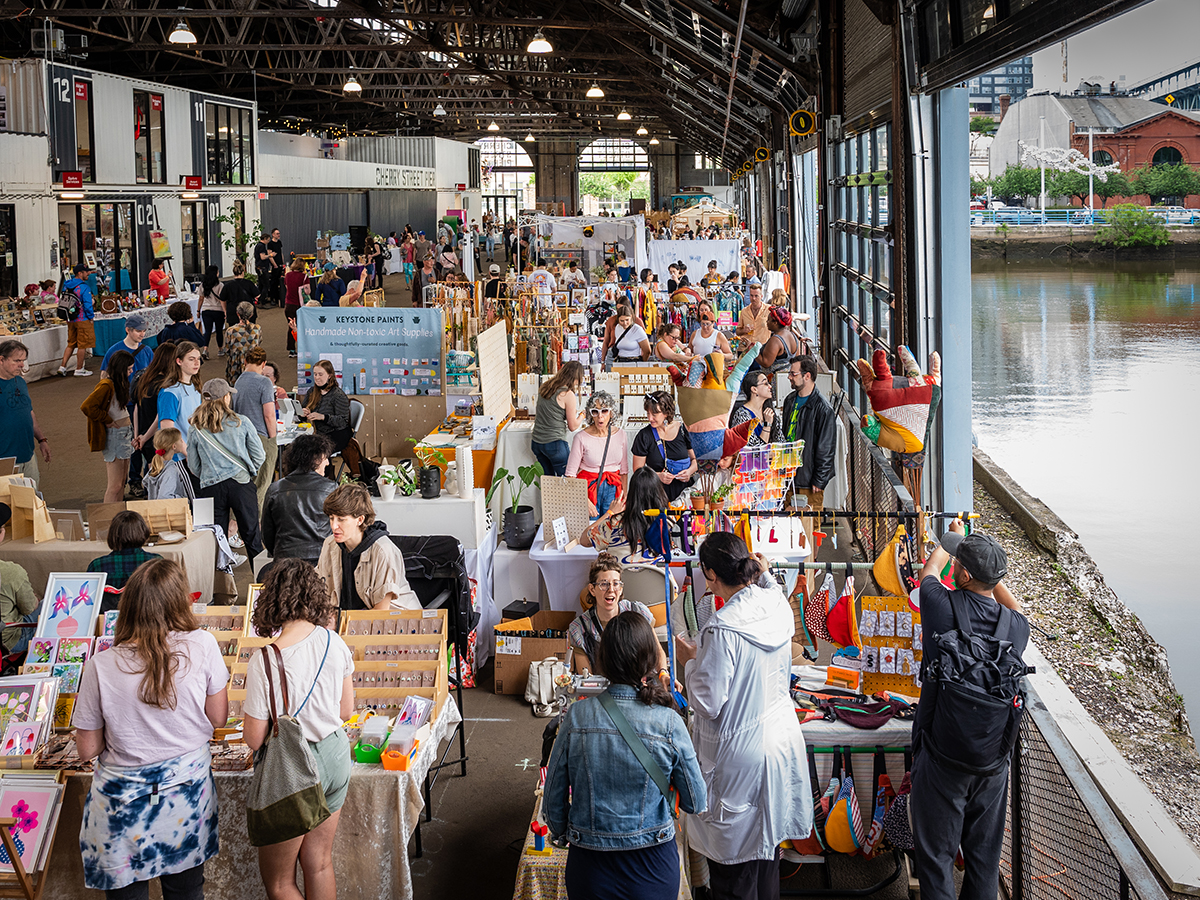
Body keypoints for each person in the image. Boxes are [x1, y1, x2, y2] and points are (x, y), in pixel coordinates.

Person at [75, 558, 228, 900]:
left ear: (128, 606)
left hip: (121, 806)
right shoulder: (203, 645)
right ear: (180, 600)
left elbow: (86, 749)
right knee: (187, 892)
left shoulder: (100, 666)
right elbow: (218, 718)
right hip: (187, 799)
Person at [675, 532, 812, 898]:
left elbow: (707, 701)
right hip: (779, 742)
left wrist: (690, 662)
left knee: (733, 871)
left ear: (710, 574)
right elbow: (772, 590)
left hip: (740, 754)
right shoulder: (775, 606)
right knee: (766, 858)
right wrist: (763, 573)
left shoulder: (722, 628)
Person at [545, 611, 705, 900]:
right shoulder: (669, 722)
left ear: (603, 658)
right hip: (652, 866)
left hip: (590, 867)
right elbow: (696, 801)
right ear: (650, 658)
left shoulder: (578, 716)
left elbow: (553, 796)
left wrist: (566, 831)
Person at [913, 521, 1028, 900]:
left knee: (936, 857)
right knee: (983, 860)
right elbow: (1016, 608)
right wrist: (988, 574)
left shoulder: (939, 605)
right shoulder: (1015, 629)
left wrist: (951, 539)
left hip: (942, 754)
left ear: (962, 572)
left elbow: (930, 570)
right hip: (993, 761)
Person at [242, 559, 354, 900]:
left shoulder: (265, 659)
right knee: (319, 863)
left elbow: (254, 737)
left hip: (294, 769)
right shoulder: (334, 642)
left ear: (271, 599)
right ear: (314, 596)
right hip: (335, 756)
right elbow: (346, 710)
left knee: (279, 882)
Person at [187, 378, 267, 558]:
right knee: (252, 537)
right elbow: (260, 455)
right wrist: (247, 471)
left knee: (214, 539)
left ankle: (218, 584)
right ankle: (262, 583)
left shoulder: (195, 427)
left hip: (210, 486)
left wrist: (207, 474)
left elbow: (193, 466)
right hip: (240, 484)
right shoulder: (241, 422)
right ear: (225, 398)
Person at [316, 483, 420, 611]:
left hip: (394, 623)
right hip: (349, 622)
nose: (333, 526)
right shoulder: (330, 544)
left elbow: (381, 613)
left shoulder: (383, 550)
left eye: (341, 519)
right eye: (331, 518)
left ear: (360, 519)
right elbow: (320, 594)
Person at [262, 434, 336, 569]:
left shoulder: (275, 489)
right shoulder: (330, 489)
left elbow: (267, 534)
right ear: (316, 459)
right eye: (325, 458)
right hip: (321, 561)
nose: (328, 463)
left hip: (284, 563)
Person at [780, 356, 836, 511]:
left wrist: (819, 479)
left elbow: (826, 448)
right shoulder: (790, 400)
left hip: (808, 480)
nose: (789, 377)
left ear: (807, 376)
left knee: (810, 526)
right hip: (788, 475)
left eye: (793, 373)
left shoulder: (823, 409)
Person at [82, 348, 136, 503]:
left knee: (121, 484)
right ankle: (108, 519)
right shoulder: (106, 385)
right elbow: (87, 406)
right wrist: (106, 419)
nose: (131, 372)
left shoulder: (117, 384)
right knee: (115, 486)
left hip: (124, 434)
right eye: (128, 369)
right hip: (115, 436)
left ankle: (116, 515)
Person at [566, 391, 627, 519]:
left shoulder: (621, 435)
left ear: (611, 413)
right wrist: (585, 501)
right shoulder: (581, 437)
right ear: (590, 414)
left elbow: (624, 470)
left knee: (612, 529)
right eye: (595, 411)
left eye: (604, 411)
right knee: (590, 530)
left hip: (613, 488)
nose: (600, 417)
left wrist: (624, 496)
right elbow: (570, 475)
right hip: (588, 490)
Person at [87, 510, 163, 611]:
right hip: (148, 620)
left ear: (112, 535)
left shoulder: (97, 565)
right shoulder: (156, 563)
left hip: (108, 623)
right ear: (144, 532)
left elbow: (88, 604)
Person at [232, 347, 278, 515]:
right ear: (263, 363)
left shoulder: (238, 381)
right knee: (262, 482)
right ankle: (255, 522)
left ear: (245, 361)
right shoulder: (264, 382)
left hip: (240, 437)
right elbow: (269, 415)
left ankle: (237, 522)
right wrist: (273, 439)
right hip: (260, 437)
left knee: (244, 481)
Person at [0, 341, 51, 486]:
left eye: (23, 361)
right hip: (4, 459)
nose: (22, 365)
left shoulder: (20, 382)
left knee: (32, 498)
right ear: (1, 360)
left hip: (27, 455)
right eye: (17, 361)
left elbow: (29, 412)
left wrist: (42, 440)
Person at [631, 391, 697, 503]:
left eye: (654, 414)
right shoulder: (644, 436)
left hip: (684, 495)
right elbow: (638, 471)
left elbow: (695, 460)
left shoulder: (683, 430)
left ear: (666, 413)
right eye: (648, 413)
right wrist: (658, 476)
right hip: (655, 495)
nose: (650, 418)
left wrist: (690, 471)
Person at [530, 361, 585, 477]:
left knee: (547, 482)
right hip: (555, 444)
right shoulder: (567, 394)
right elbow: (573, 426)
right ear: (576, 378)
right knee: (567, 482)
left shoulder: (546, 387)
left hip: (537, 442)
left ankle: (546, 496)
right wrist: (582, 416)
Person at [0, 503, 39, 652]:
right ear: (2, 533)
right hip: (8, 641)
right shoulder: (11, 571)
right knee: (46, 604)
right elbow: (29, 608)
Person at [299, 360, 352, 456]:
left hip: (337, 434)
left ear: (329, 375)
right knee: (298, 447)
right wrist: (303, 414)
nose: (317, 378)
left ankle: (323, 470)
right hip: (318, 433)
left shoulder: (338, 395)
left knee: (315, 452)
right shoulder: (312, 391)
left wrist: (323, 417)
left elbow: (343, 421)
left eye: (320, 374)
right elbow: (303, 410)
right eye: (315, 374)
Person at [157, 341, 204, 446]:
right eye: (191, 359)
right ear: (179, 361)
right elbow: (167, 429)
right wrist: (186, 452)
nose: (197, 363)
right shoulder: (170, 392)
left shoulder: (195, 387)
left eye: (198, 359)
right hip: (177, 456)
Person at [58, 262, 97, 377]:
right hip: (82, 319)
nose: (88, 273)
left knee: (71, 343)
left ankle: (63, 366)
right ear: (80, 273)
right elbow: (87, 304)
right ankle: (79, 368)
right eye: (86, 272)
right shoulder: (84, 287)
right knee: (82, 345)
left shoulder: (66, 285)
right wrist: (91, 317)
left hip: (70, 319)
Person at [730, 370, 781, 449]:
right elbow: (754, 451)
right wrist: (767, 425)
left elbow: (781, 442)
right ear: (754, 389)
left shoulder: (769, 410)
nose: (770, 386)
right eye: (765, 383)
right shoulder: (742, 415)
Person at [144, 427, 196, 501]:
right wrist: (184, 499)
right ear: (174, 446)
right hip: (169, 511)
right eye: (180, 440)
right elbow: (164, 497)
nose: (182, 441)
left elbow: (146, 482)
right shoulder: (171, 470)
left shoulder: (156, 465)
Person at [754, 306, 802, 373]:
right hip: (789, 377)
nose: (767, 322)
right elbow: (796, 359)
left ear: (775, 323)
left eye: (769, 320)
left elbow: (765, 363)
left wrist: (752, 349)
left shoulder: (775, 340)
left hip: (775, 379)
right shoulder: (793, 336)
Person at [224, 301, 262, 383]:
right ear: (251, 314)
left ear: (237, 313)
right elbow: (259, 344)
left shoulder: (231, 331)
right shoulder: (257, 328)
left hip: (236, 365)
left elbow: (227, 350)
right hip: (253, 363)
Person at [197, 264, 226, 359]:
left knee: (207, 331)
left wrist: (198, 310)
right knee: (219, 331)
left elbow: (201, 299)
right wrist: (225, 311)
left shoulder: (203, 285)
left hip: (206, 310)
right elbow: (222, 300)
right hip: (218, 310)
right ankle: (220, 349)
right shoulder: (220, 285)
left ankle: (206, 349)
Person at [222, 262, 259, 329]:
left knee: (234, 333)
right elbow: (257, 295)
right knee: (249, 331)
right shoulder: (249, 283)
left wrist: (225, 311)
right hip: (248, 311)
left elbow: (222, 299)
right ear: (243, 272)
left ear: (234, 273)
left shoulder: (227, 285)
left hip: (233, 312)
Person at [284, 259, 308, 357]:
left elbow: (286, 287)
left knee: (291, 327)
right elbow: (307, 291)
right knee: (301, 328)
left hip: (289, 304)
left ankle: (291, 350)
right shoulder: (304, 277)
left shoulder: (287, 275)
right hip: (300, 305)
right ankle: (304, 348)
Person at [735, 282, 770, 348]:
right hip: (746, 348)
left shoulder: (768, 310)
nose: (753, 298)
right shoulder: (744, 311)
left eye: (756, 296)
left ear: (761, 296)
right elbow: (737, 331)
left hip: (761, 347)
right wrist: (743, 330)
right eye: (751, 295)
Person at [265, 228, 284, 306]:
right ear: (273, 234)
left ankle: (278, 298)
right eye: (277, 233)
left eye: (279, 233)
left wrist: (282, 262)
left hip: (280, 264)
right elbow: (270, 255)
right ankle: (272, 298)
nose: (278, 235)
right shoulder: (270, 244)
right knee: (274, 282)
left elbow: (280, 252)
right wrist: (274, 264)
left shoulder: (279, 242)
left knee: (280, 281)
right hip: (274, 265)